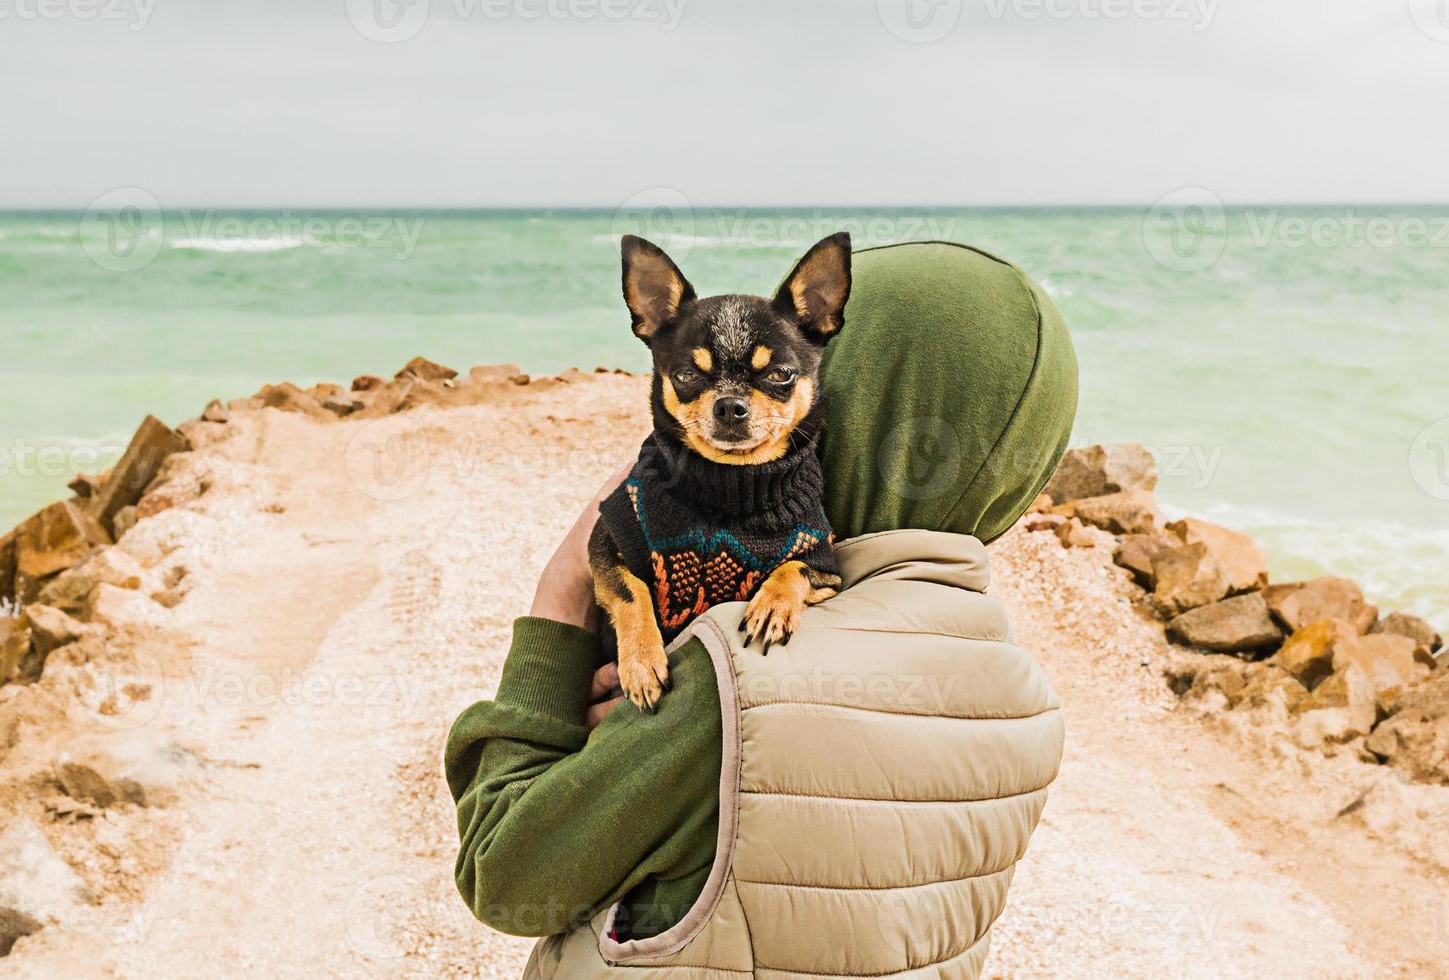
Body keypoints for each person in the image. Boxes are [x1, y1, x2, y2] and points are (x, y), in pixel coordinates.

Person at [445, 240, 1079, 978]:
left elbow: (505, 876)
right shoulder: (1025, 702)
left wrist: (559, 603)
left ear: (855, 408)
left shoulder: (732, 669)